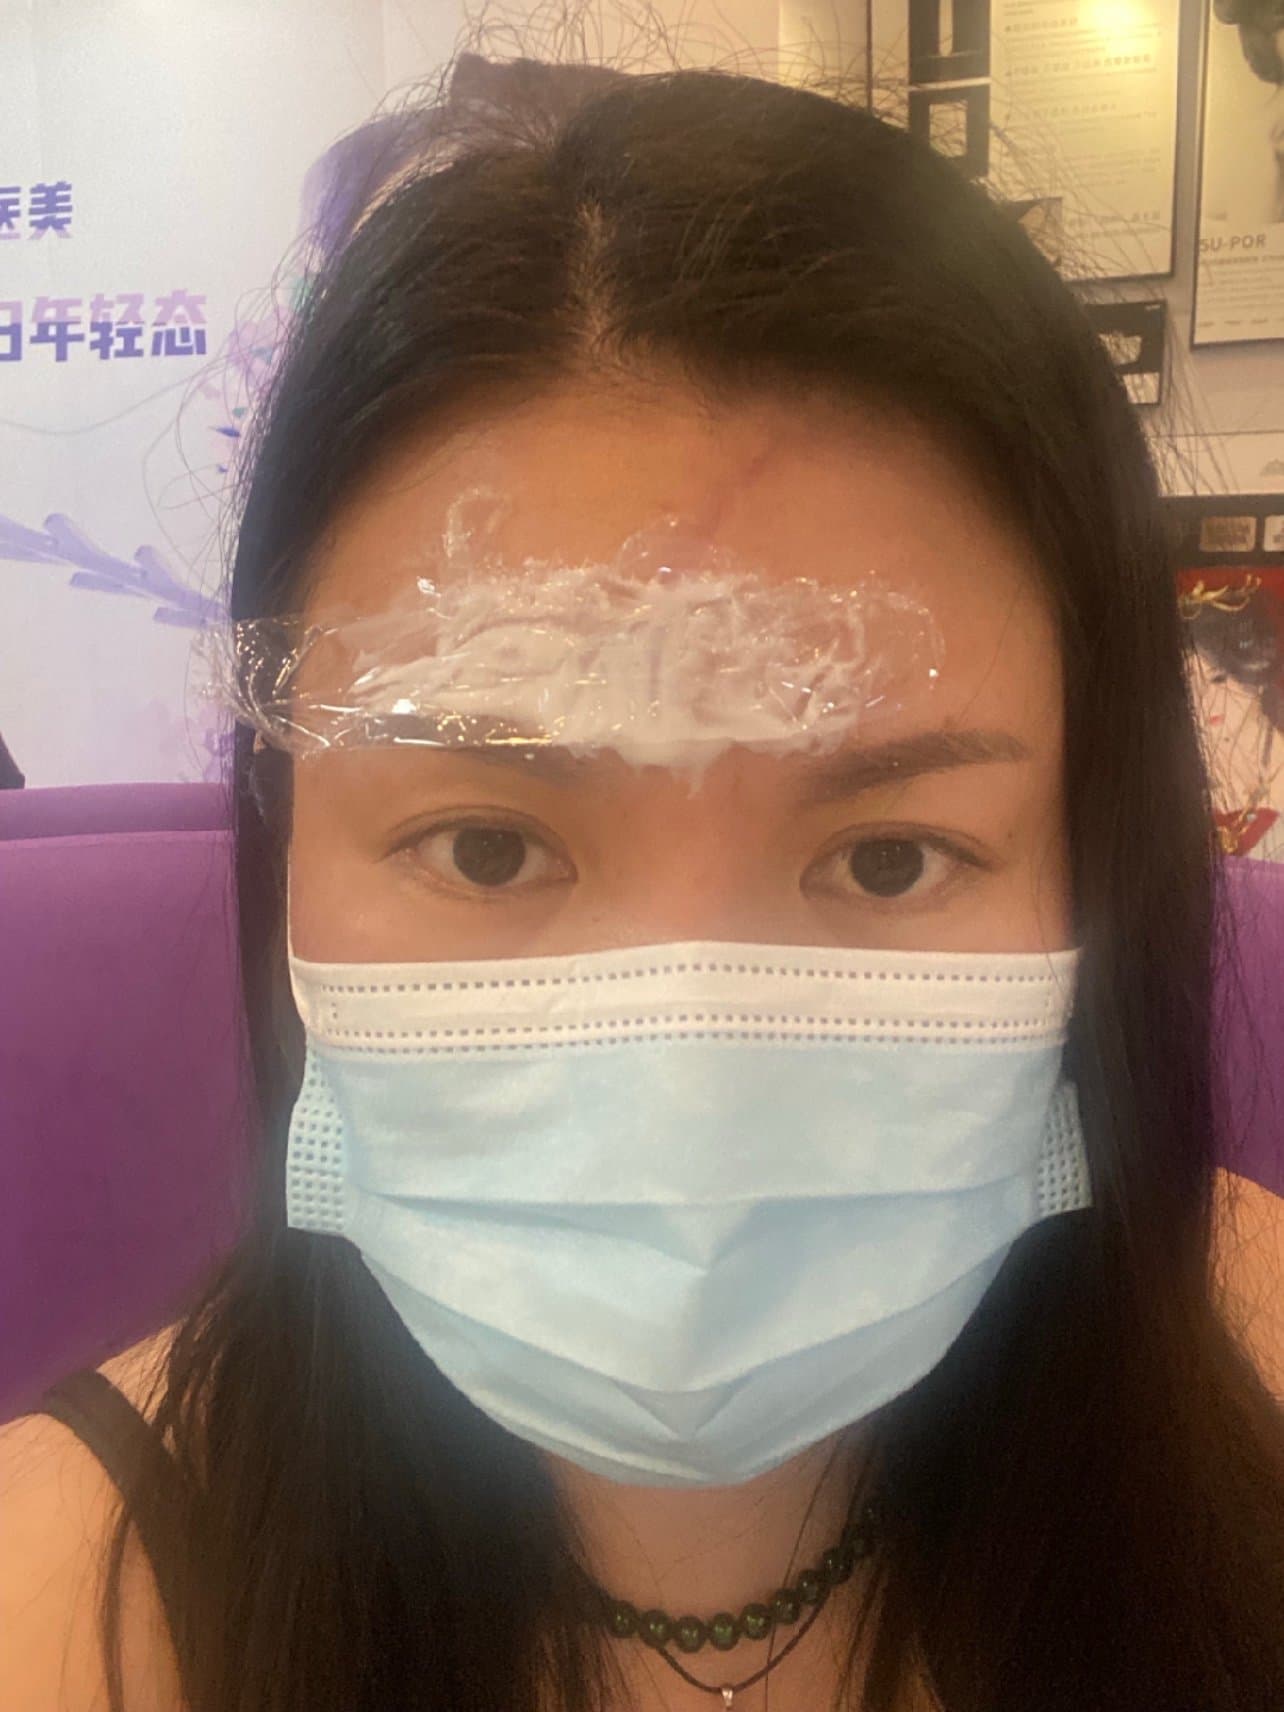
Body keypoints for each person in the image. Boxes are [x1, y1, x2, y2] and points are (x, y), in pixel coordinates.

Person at [3, 50, 1284, 1712]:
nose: (690, 1069)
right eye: (489, 846)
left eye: (888, 858)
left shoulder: (1250, 1384)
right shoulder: (65, 1607)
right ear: (291, 848)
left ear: (1093, 876)